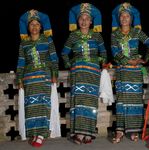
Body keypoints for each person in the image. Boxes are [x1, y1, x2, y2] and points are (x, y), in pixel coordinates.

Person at [61, 3, 107, 144]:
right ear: (77, 21)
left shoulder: (97, 36)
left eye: (87, 18)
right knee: (79, 102)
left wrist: (98, 60)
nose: (84, 21)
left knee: (90, 102)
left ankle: (89, 133)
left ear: (92, 21)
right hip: (78, 73)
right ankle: (78, 134)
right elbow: (64, 54)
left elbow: (104, 53)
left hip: (93, 73)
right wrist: (71, 65)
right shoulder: (73, 36)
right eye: (81, 18)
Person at [111, 2, 149, 143]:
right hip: (122, 71)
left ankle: (134, 131)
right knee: (121, 101)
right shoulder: (115, 34)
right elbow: (115, 52)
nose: (124, 18)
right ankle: (119, 131)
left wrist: (145, 59)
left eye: (127, 16)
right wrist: (129, 61)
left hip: (135, 72)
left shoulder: (137, 32)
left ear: (131, 18)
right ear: (119, 18)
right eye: (122, 16)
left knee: (135, 101)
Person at [16, 9, 59, 147]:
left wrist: (54, 74)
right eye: (31, 25)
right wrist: (19, 78)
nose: (34, 27)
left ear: (41, 27)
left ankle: (41, 134)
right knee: (31, 106)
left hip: (44, 77)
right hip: (29, 79)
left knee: (43, 105)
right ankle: (34, 132)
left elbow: (54, 59)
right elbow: (21, 62)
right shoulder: (24, 44)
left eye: (37, 25)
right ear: (28, 27)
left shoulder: (48, 40)